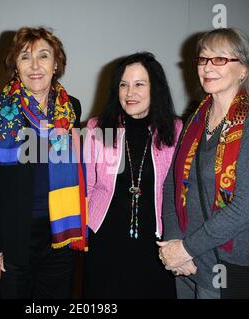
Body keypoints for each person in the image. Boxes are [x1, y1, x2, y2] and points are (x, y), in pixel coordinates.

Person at [159, 28, 249, 299]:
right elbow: (172, 184)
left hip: (226, 261)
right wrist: (175, 246)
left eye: (219, 59)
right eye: (203, 59)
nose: (207, 67)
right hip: (187, 264)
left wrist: (186, 248)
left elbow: (245, 208)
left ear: (243, 69)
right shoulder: (195, 119)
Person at [0, 26, 87, 299]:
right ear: (15, 66)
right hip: (11, 235)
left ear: (56, 64)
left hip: (58, 232)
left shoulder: (71, 107)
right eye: (25, 57)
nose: (35, 66)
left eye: (44, 56)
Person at [83, 52, 183, 298]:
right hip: (106, 239)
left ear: (155, 88)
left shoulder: (176, 129)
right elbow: (87, 185)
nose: (130, 93)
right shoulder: (98, 127)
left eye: (139, 84)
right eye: (124, 85)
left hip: (156, 241)